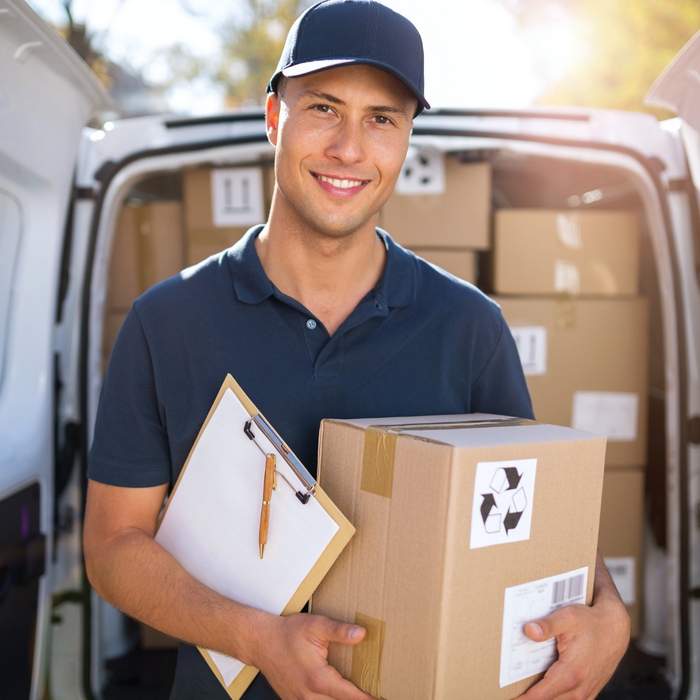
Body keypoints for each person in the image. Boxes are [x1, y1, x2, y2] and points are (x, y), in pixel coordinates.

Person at [83, 1, 631, 699]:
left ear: (405, 140)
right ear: (275, 117)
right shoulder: (167, 322)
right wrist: (257, 639)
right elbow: (111, 548)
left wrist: (610, 611)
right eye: (324, 108)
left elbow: (535, 509)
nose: (350, 148)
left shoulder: (467, 325)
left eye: (382, 119)